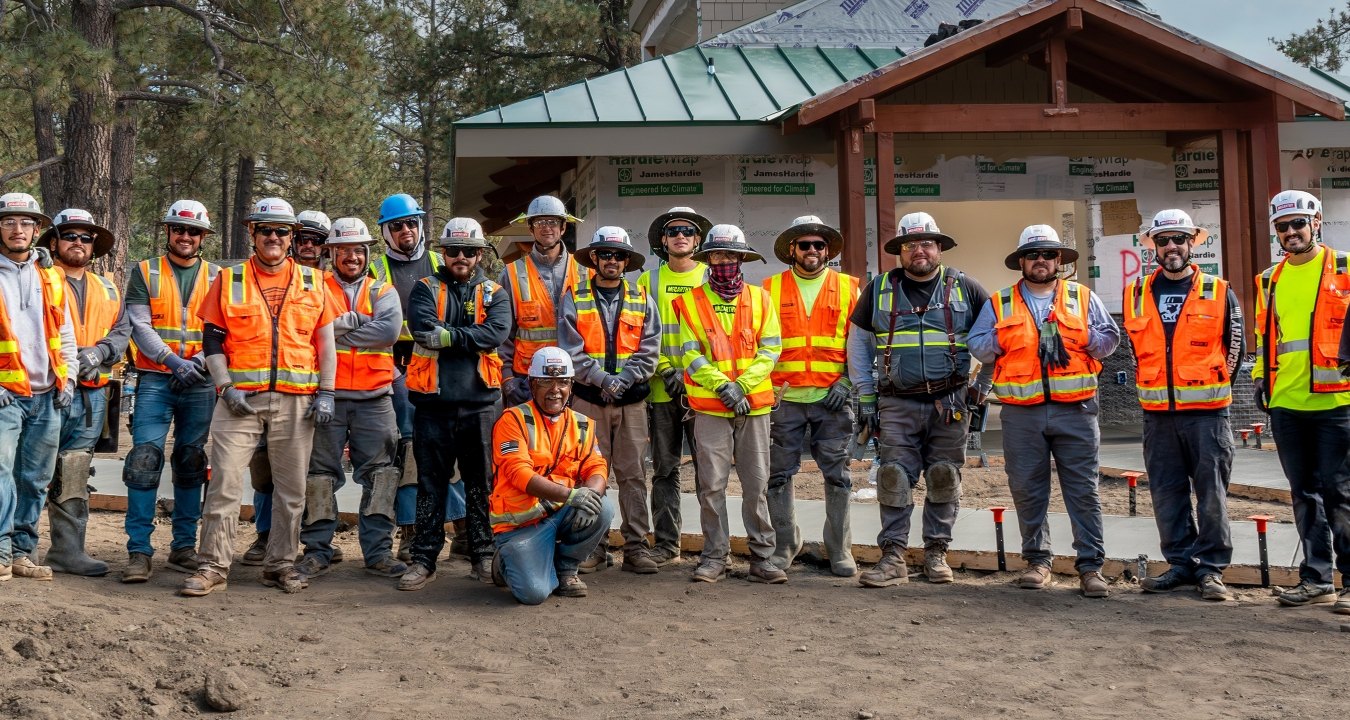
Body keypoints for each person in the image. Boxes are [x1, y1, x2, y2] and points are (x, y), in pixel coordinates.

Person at [182, 197, 337, 596]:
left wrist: (328, 393)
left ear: (292, 238)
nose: (273, 236)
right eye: (265, 229)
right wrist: (226, 387)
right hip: (240, 402)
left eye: (281, 231)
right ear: (252, 233)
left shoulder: (314, 282)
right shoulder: (229, 280)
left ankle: (280, 565)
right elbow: (212, 342)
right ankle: (213, 567)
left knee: (291, 491)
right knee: (225, 486)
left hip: (297, 402)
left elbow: (325, 343)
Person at [968, 225, 1119, 598]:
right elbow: (977, 345)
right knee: (1027, 490)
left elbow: (1110, 340)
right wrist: (1005, 338)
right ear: (1021, 261)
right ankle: (1038, 561)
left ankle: (1090, 567)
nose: (1041, 261)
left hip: (1077, 411)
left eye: (1048, 255)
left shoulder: (1082, 297)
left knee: (1083, 492)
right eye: (1033, 255)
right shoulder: (1000, 303)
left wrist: (1084, 337)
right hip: (1022, 414)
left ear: (1059, 261)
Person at [847, 212, 991, 586]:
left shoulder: (966, 288)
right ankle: (893, 557)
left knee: (944, 476)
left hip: (951, 404)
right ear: (900, 251)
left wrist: (982, 388)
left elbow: (997, 342)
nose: (919, 251)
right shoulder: (878, 289)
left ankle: (936, 554)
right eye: (910, 245)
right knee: (893, 476)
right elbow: (859, 348)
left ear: (939, 247)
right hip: (896, 404)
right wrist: (864, 397)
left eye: (926, 243)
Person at [1125, 210, 1243, 602]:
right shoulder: (1136, 291)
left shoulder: (1218, 289)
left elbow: (1236, 346)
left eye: (1178, 239)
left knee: (1211, 494)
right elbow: (1135, 349)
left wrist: (1215, 385)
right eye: (1163, 241)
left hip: (1207, 416)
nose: (1171, 247)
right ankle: (1179, 563)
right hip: (1158, 416)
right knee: (1166, 492)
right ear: (1153, 248)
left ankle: (1211, 569)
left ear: (1193, 243)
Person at [400, 218, 510, 591]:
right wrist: (469, 338)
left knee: (482, 482)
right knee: (430, 484)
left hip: (480, 404)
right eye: (452, 250)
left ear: (479, 254)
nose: (460, 257)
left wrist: (450, 336)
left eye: (467, 251)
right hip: (433, 403)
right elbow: (424, 331)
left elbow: (496, 332)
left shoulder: (495, 292)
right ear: (443, 252)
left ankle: (482, 553)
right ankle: (424, 558)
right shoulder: (424, 289)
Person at [295, 218, 406, 580]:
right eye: (344, 250)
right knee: (320, 477)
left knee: (382, 476)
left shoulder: (383, 290)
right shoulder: (315, 287)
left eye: (358, 250)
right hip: (327, 396)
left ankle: (377, 553)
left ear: (367, 253)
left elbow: (388, 332)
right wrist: (357, 324)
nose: (352, 257)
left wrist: (336, 331)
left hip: (376, 398)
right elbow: (309, 333)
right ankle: (317, 551)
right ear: (331, 253)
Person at [673, 224, 785, 584]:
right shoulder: (689, 302)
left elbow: (771, 351)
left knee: (756, 485)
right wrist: (725, 388)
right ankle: (714, 556)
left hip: (754, 408)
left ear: (741, 259)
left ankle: (762, 557)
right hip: (710, 408)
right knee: (712, 486)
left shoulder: (762, 299)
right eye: (718, 255)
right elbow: (688, 355)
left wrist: (741, 386)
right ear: (708, 259)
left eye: (731, 255)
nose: (724, 261)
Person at [1255, 190, 1350, 614]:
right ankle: (1316, 579)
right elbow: (1266, 336)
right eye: (1283, 226)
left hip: (1338, 403)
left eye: (1298, 223)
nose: (1291, 232)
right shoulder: (1268, 279)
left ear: (1317, 223)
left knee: (1340, 492)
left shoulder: (1345, 268)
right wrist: (1261, 379)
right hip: (1288, 403)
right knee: (1304, 493)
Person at [120, 199, 219, 583]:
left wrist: (197, 363)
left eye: (193, 231)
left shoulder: (217, 276)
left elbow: (223, 328)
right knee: (143, 458)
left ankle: (183, 547)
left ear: (203, 237)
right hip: (155, 378)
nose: (185, 236)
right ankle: (139, 551)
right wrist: (172, 361)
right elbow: (139, 325)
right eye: (179, 229)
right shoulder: (145, 271)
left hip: (201, 380)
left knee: (191, 459)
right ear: (168, 232)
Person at [763, 215, 861, 577]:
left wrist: (848, 383)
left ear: (828, 251)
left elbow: (862, 343)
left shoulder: (851, 288)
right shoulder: (769, 288)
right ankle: (785, 544)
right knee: (777, 476)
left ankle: (840, 549)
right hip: (783, 399)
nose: (813, 251)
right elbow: (759, 341)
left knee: (838, 477)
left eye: (819, 245)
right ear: (793, 249)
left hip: (831, 399)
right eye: (805, 245)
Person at [559, 226, 660, 574]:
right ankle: (593, 548)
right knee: (588, 474)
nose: (612, 261)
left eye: (619, 255)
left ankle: (636, 548)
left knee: (632, 474)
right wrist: (602, 380)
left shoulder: (643, 298)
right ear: (594, 258)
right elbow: (570, 350)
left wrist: (623, 381)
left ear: (627, 261)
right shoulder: (575, 296)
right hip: (588, 401)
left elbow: (650, 351)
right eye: (605, 254)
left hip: (631, 402)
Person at [38, 209, 130, 576]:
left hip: (92, 394)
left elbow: (121, 331)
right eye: (71, 235)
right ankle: (15, 548)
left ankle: (67, 550)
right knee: (27, 471)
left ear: (94, 246)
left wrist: (99, 352)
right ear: (55, 241)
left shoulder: (108, 286)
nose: (78, 242)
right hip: (45, 390)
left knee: (73, 472)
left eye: (86, 238)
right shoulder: (37, 277)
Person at [489, 346, 612, 604]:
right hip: (519, 525)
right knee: (533, 594)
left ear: (571, 387)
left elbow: (597, 466)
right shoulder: (512, 420)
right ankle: (505, 562)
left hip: (558, 513)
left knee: (602, 507)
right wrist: (572, 496)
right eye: (546, 381)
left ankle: (566, 569)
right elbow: (519, 474)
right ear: (532, 385)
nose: (555, 389)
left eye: (562, 382)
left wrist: (590, 494)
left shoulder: (581, 424)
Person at [243, 210, 329, 562]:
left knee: (316, 471)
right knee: (265, 467)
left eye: (316, 239)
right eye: (304, 238)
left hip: (317, 389)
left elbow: (330, 334)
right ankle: (265, 536)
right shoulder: (276, 275)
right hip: (268, 389)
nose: (308, 245)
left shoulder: (330, 278)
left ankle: (316, 542)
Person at [0, 193, 76, 582]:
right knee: (1, 473)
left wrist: (71, 377)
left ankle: (21, 552)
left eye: (27, 223)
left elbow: (64, 332)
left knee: (34, 479)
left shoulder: (50, 275)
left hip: (47, 394)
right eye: (10, 222)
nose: (18, 229)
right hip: (6, 395)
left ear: (37, 230)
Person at [370, 193, 443, 562]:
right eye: (396, 226)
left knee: (450, 448)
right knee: (408, 448)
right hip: (394, 366)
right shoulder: (376, 270)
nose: (405, 231)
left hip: (439, 362)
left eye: (411, 223)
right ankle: (410, 531)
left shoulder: (439, 262)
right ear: (385, 231)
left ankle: (460, 529)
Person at [637, 207, 710, 566]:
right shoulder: (646, 282)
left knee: (710, 472)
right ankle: (667, 544)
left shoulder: (713, 277)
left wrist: (698, 376)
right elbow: (640, 334)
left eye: (688, 231)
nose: (680, 235)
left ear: (698, 241)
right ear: (663, 241)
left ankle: (715, 547)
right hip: (662, 391)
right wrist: (666, 369)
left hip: (705, 392)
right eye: (673, 231)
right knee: (665, 469)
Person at [499, 195, 583, 408]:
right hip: (527, 379)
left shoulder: (584, 271)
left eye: (553, 222)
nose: (547, 228)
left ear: (563, 227)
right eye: (540, 222)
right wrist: (508, 378)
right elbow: (501, 333)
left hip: (575, 379)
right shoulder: (511, 274)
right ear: (530, 228)